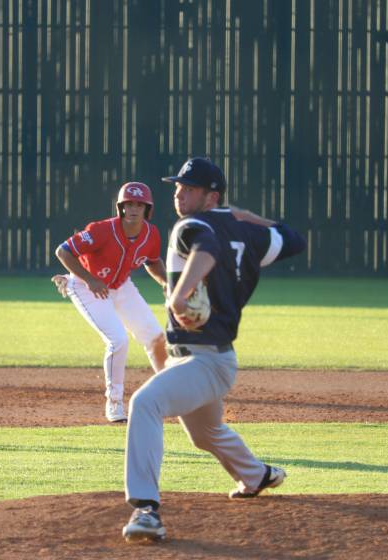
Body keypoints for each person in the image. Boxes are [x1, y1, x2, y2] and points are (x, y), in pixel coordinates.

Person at [121, 157, 306, 542]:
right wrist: (240, 215)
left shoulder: (191, 225)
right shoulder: (248, 234)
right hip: (210, 359)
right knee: (205, 434)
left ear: (211, 197)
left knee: (144, 403)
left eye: (189, 189)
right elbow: (292, 238)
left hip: (202, 360)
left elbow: (205, 250)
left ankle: (146, 511)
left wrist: (179, 295)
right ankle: (256, 476)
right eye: (178, 187)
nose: (179, 193)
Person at [52, 182, 168, 423]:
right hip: (86, 288)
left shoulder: (151, 234)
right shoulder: (101, 230)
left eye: (139, 204)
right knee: (118, 340)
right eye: (129, 204)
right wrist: (88, 279)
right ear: (121, 207)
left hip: (121, 287)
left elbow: (153, 261)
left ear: (148, 209)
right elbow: (63, 251)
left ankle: (174, 395)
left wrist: (166, 282)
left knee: (155, 337)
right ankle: (114, 403)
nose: (133, 208)